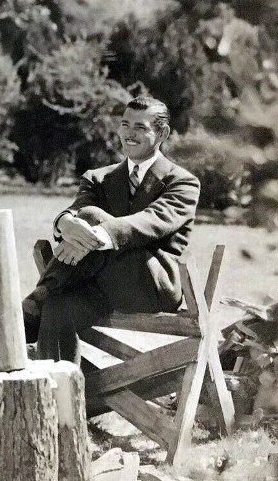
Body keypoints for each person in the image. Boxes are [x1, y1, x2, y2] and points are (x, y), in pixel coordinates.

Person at [22, 95, 200, 364]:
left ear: (162, 133)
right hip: (100, 285)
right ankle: (61, 391)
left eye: (140, 128)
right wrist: (64, 223)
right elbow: (77, 209)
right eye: (125, 125)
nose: (129, 134)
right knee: (58, 307)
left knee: (90, 216)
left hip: (150, 286)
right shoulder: (98, 178)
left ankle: (34, 303)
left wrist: (96, 234)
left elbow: (153, 220)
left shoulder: (182, 182)